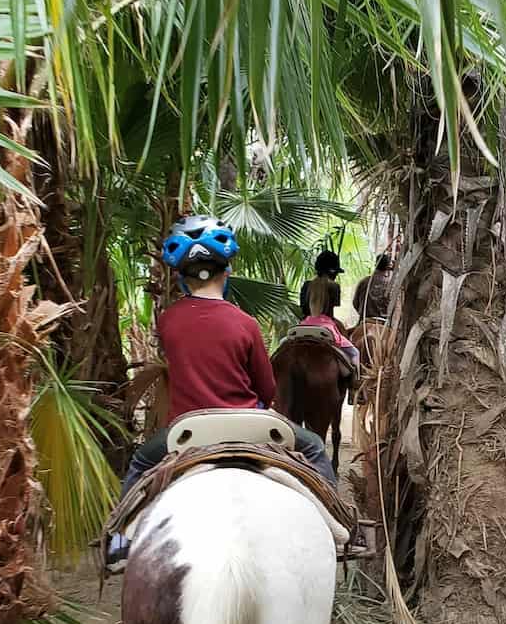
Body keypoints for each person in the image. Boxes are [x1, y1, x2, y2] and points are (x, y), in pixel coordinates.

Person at [107, 215, 336, 572]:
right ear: (226, 272)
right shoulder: (245, 323)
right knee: (315, 447)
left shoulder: (168, 320)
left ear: (182, 276)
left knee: (139, 463)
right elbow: (267, 388)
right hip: (250, 426)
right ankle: (338, 527)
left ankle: (118, 540)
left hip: (188, 430)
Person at [299, 277, 360, 372]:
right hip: (326, 327)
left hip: (305, 325)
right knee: (355, 353)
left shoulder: (308, 286)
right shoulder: (333, 286)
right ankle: (356, 379)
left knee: (283, 343)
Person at [299, 249, 343, 319]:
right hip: (326, 325)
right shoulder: (334, 286)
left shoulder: (306, 285)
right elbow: (330, 314)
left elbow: (303, 310)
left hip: (305, 324)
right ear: (332, 272)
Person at [352, 252, 393, 322]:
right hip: (383, 323)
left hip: (364, 321)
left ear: (375, 265)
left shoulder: (363, 282)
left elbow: (355, 303)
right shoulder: (391, 284)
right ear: (388, 267)